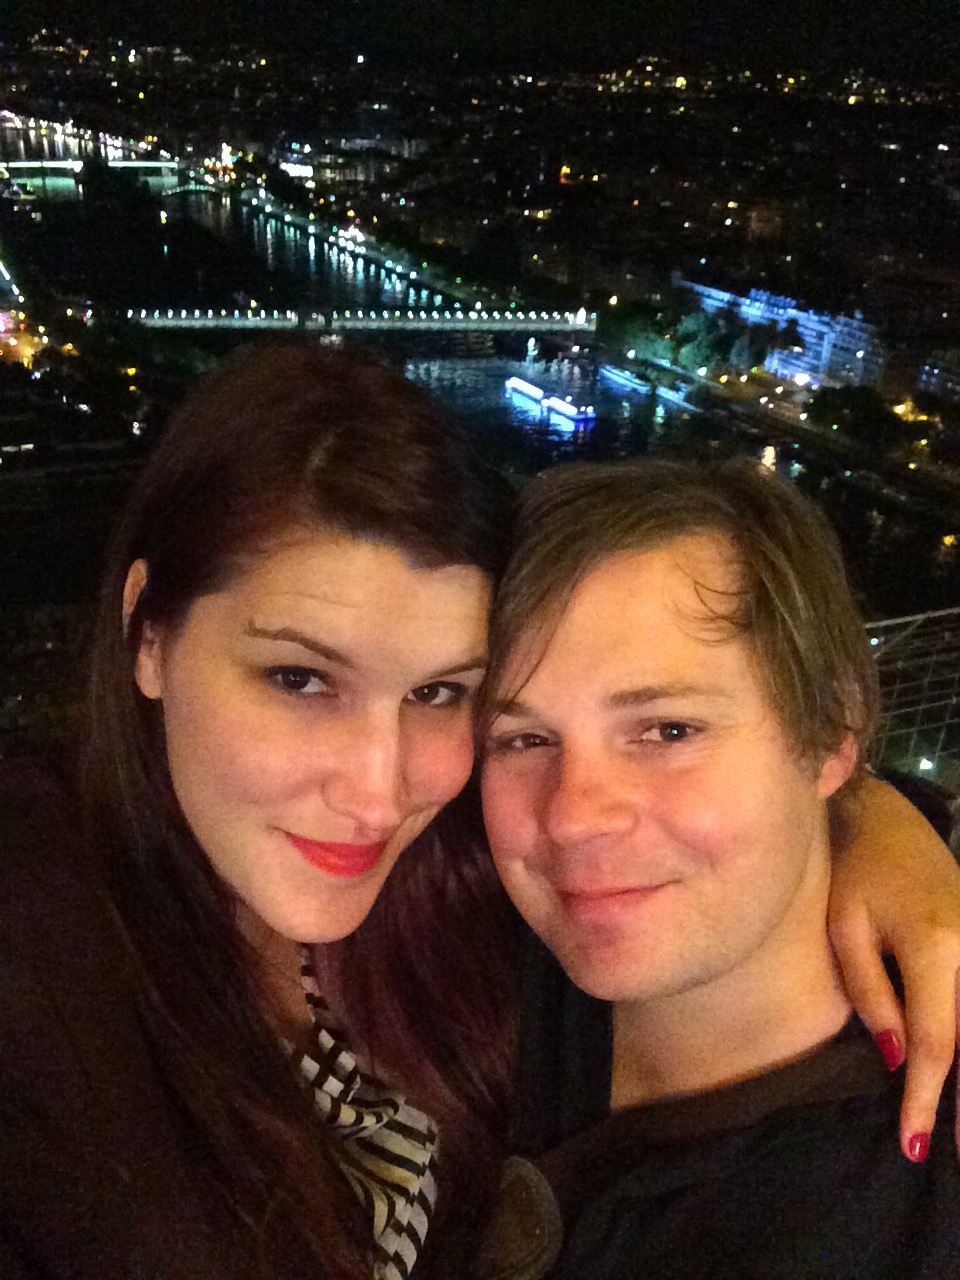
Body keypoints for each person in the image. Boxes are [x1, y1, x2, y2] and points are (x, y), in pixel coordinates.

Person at [0, 348, 957, 1280]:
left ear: (833, 732)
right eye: (299, 678)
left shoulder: (467, 899)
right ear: (147, 633)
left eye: (668, 730)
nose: (377, 793)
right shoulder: (45, 954)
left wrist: (889, 828)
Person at [479, 458, 960, 1279]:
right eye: (523, 739)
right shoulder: (461, 956)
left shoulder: (917, 1220)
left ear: (830, 730)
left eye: (669, 731)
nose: (573, 817)